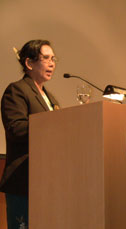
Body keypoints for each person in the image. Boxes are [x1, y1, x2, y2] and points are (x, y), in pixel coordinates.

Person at [0, 39, 59, 228]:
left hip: (48, 179)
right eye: (46, 58)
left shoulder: (51, 98)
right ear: (29, 63)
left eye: (54, 59)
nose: (52, 63)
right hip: (24, 180)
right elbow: (16, 129)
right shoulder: (17, 90)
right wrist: (49, 124)